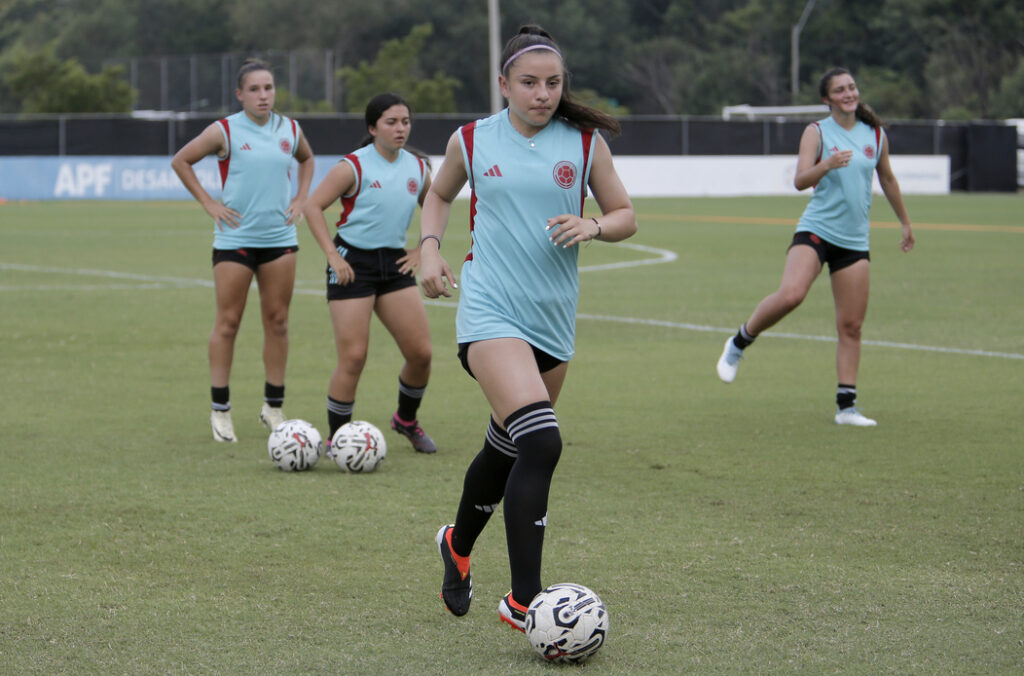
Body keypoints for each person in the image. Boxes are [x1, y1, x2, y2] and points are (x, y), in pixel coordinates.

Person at [418, 25, 637, 632]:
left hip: (552, 319)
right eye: (529, 83)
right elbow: (436, 196)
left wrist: (595, 226)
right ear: (503, 84)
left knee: (509, 445)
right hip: (489, 310)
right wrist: (431, 249)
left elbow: (626, 216)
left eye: (553, 83)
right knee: (542, 441)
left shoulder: (585, 143)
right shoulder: (472, 139)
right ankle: (526, 603)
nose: (543, 94)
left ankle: (457, 544)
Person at [716, 66, 915, 427]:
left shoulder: (876, 134)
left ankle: (846, 408)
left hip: (854, 240)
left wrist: (904, 221)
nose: (849, 93)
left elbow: (886, 177)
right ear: (827, 99)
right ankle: (739, 343)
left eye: (852, 87)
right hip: (817, 231)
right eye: (840, 90)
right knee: (792, 294)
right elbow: (799, 180)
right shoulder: (818, 132)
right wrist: (827, 164)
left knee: (851, 326)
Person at [171, 59, 314, 443]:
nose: (263, 95)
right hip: (234, 241)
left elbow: (307, 158)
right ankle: (220, 411)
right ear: (240, 94)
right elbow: (181, 160)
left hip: (280, 240)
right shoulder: (226, 130)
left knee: (278, 321)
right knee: (228, 322)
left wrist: (301, 198)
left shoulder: (290, 129)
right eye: (255, 89)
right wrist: (209, 204)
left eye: (268, 88)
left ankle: (273, 407)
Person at [302, 93, 438, 453]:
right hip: (352, 264)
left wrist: (422, 248)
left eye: (405, 121)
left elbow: (435, 206)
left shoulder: (418, 167)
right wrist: (333, 256)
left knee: (421, 353)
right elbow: (313, 206)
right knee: (354, 357)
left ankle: (406, 420)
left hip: (394, 264)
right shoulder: (353, 166)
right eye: (391, 122)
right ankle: (338, 438)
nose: (400, 129)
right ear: (372, 127)